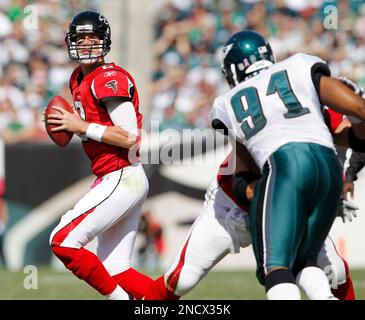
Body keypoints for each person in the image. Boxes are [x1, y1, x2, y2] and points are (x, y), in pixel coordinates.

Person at [210, 30, 365, 300]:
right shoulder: (299, 65)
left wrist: (260, 196)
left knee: (277, 269)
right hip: (329, 168)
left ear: (232, 69)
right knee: (304, 261)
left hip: (284, 166)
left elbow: (243, 172)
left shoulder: (227, 103)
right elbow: (358, 111)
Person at [143, 142, 356, 300]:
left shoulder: (313, 109)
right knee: (183, 278)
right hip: (232, 206)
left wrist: (336, 187)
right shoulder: (256, 115)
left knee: (335, 271)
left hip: (287, 205)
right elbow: (243, 183)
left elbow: (350, 132)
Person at [47, 11, 153, 300]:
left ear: (105, 41)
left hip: (122, 175)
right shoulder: (78, 78)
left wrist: (79, 126)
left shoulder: (108, 78)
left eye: (92, 38)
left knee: (62, 241)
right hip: (116, 176)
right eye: (80, 39)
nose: (86, 44)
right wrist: (80, 128)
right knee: (117, 270)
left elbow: (130, 137)